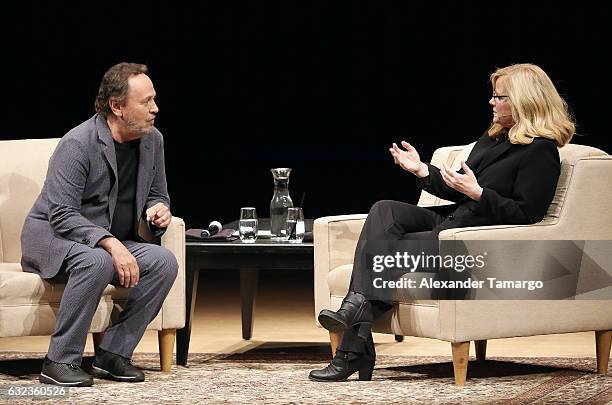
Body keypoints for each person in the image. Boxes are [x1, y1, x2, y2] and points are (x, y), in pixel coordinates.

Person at [309, 63, 576, 382]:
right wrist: (422, 170)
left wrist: (479, 194)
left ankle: (352, 344)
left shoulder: (541, 150)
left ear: (523, 101)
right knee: (385, 210)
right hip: (454, 219)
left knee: (385, 251)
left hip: (475, 236)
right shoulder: (494, 137)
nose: (491, 102)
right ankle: (357, 324)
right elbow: (457, 185)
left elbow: (528, 213)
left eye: (499, 96)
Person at [20, 62, 178, 386]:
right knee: (96, 261)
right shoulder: (78, 144)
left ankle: (112, 355)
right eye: (146, 102)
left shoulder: (153, 141)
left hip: (108, 241)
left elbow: (157, 193)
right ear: (117, 106)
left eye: (154, 99)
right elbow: (61, 214)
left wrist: (159, 210)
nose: (155, 109)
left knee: (163, 261)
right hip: (53, 237)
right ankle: (59, 361)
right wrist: (110, 243)